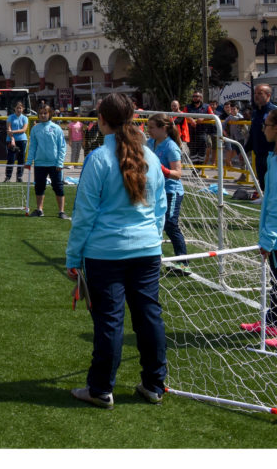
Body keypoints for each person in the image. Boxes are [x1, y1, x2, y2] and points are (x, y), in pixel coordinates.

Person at [65, 93, 167, 409]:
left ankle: (100, 389)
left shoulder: (98, 159)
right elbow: (161, 207)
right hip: (146, 249)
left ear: (102, 119)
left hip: (106, 253)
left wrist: (72, 256)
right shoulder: (150, 157)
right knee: (149, 316)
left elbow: (84, 214)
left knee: (110, 321)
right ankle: (154, 384)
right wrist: (153, 237)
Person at [242, 109, 277, 346]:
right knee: (275, 281)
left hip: (274, 233)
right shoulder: (272, 158)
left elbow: (275, 205)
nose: (263, 128)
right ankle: (271, 322)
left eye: (266, 124)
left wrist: (268, 239)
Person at [145, 113, 187, 265]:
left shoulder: (171, 147)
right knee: (152, 223)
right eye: (147, 127)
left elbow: (178, 174)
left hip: (171, 191)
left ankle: (183, 262)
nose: (148, 130)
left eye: (152, 128)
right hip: (155, 191)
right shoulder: (150, 143)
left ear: (163, 128)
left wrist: (163, 170)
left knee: (170, 224)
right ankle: (152, 256)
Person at [25, 105, 68, 219]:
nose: (43, 115)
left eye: (45, 113)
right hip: (39, 163)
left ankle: (61, 211)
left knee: (58, 187)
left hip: (54, 164)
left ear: (50, 114)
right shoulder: (35, 129)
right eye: (41, 113)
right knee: (39, 187)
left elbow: (62, 147)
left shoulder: (56, 128)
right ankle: (39, 210)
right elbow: (33, 146)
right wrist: (29, 161)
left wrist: (59, 163)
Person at [250, 84, 277, 188]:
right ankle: (263, 196)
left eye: (260, 93)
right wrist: (245, 148)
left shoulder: (273, 112)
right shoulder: (255, 112)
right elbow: (253, 132)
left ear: (268, 95)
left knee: (272, 180)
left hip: (271, 152)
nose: (256, 96)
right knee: (262, 179)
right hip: (258, 152)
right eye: (255, 93)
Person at [184, 90, 214, 166]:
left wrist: (204, 118)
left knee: (202, 150)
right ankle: (195, 167)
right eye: (193, 96)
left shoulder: (206, 107)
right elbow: (183, 115)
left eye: (196, 96)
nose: (194, 98)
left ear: (200, 97)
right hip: (191, 132)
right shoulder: (187, 107)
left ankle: (199, 167)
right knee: (193, 150)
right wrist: (190, 119)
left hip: (202, 132)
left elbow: (213, 116)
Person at [4, 102, 28, 183]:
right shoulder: (10, 117)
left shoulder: (25, 118)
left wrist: (13, 131)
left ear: (23, 109)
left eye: (20, 108)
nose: (19, 110)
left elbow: (24, 130)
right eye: (17, 108)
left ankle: (19, 177)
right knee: (11, 159)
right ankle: (8, 177)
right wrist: (12, 139)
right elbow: (8, 129)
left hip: (22, 140)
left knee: (21, 159)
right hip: (11, 140)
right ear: (15, 108)